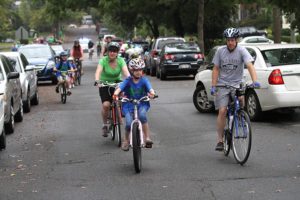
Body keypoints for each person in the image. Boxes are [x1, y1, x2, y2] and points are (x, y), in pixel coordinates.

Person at [211, 27, 261, 151]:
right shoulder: (220, 51)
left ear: (236, 40)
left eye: (232, 40)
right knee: (222, 111)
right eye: (228, 40)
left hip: (237, 83)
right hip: (223, 84)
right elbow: (216, 69)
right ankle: (220, 140)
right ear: (226, 41)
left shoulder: (242, 50)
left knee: (240, 100)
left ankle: (240, 116)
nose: (230, 42)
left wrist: (255, 81)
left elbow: (249, 65)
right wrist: (213, 86)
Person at [113, 58, 156, 151]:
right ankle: (126, 141)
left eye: (140, 70)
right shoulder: (128, 81)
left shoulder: (144, 80)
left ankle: (147, 138)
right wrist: (116, 94)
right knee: (128, 123)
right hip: (128, 104)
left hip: (142, 103)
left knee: (142, 115)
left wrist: (152, 93)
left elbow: (150, 88)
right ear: (131, 71)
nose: (138, 72)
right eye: (136, 70)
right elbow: (120, 88)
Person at [94, 42, 130, 137]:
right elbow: (98, 71)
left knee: (123, 96)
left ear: (117, 52)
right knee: (106, 105)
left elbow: (126, 72)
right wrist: (97, 81)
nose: (112, 53)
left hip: (117, 82)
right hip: (104, 84)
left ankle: (120, 110)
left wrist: (130, 80)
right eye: (110, 51)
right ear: (107, 51)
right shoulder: (103, 61)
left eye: (114, 51)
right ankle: (105, 124)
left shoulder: (121, 60)